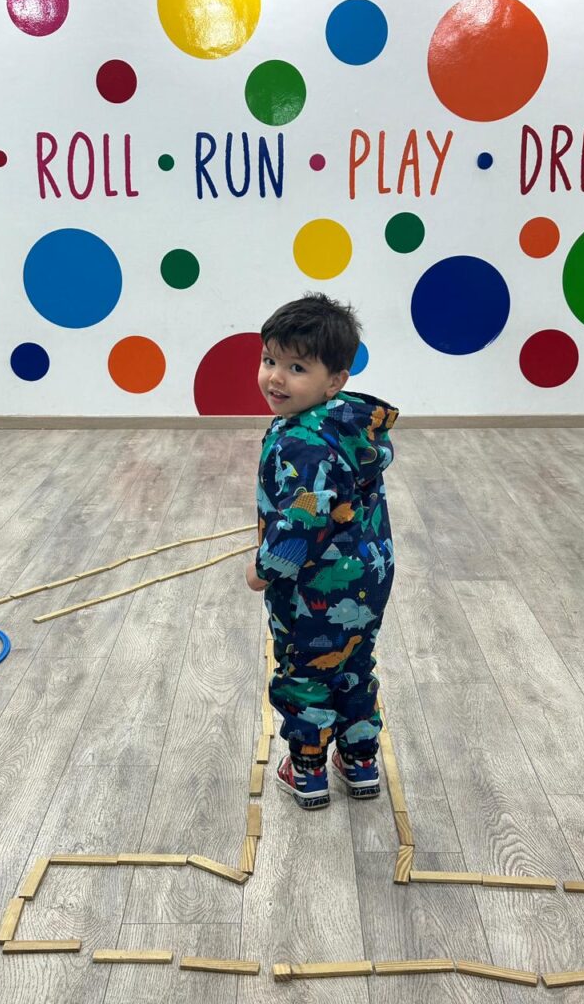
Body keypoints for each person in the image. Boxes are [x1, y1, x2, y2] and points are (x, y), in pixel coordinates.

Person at [246, 292, 398, 809]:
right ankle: (360, 762)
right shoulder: (348, 427)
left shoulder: (300, 443)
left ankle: (308, 770)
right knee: (353, 664)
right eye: (269, 360)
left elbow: (305, 519)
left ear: (334, 380)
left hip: (312, 588)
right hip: (369, 576)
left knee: (305, 672)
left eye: (297, 368)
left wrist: (263, 569)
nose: (275, 378)